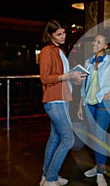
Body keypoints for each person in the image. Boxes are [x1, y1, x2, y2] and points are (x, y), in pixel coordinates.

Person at [38, 19, 87, 186]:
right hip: (55, 100)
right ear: (50, 35)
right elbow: (45, 78)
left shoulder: (58, 50)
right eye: (58, 34)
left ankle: (47, 176)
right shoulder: (47, 51)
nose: (63, 36)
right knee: (68, 139)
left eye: (64, 33)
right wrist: (69, 76)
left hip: (62, 99)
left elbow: (61, 76)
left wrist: (74, 79)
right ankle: (51, 178)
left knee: (55, 138)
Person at [77, 28, 110, 186]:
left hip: (104, 103)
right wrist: (80, 106)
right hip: (88, 104)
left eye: (98, 42)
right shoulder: (87, 62)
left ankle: (100, 173)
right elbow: (84, 86)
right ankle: (99, 166)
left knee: (99, 136)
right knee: (94, 137)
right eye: (94, 41)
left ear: (105, 46)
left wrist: (109, 94)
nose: (94, 43)